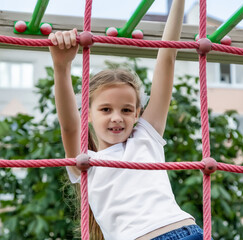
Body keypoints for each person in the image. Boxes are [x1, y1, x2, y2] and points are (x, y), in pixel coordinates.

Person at [49, 0, 206, 239]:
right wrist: (62, 67)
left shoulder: (146, 136)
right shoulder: (86, 162)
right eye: (105, 109)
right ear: (88, 115)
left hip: (186, 231)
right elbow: (69, 125)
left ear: (137, 113)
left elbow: (167, 60)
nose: (116, 118)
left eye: (126, 110)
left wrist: (178, 3)